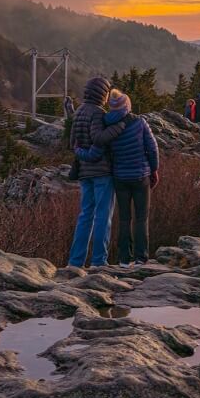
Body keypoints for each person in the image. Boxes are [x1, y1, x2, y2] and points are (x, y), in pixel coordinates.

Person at [76, 89, 160, 267]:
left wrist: (79, 151)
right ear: (127, 106)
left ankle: (123, 259)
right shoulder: (139, 122)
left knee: (124, 219)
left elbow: (101, 151)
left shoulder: (106, 125)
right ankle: (140, 258)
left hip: (120, 178)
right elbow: (152, 148)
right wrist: (154, 170)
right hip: (141, 175)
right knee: (141, 217)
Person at [67, 77, 128, 268]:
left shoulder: (78, 112)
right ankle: (98, 262)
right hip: (102, 172)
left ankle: (75, 263)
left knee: (85, 215)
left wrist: (80, 152)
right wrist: (118, 127)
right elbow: (99, 140)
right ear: (102, 94)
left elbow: (72, 144)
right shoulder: (97, 113)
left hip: (84, 173)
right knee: (103, 217)